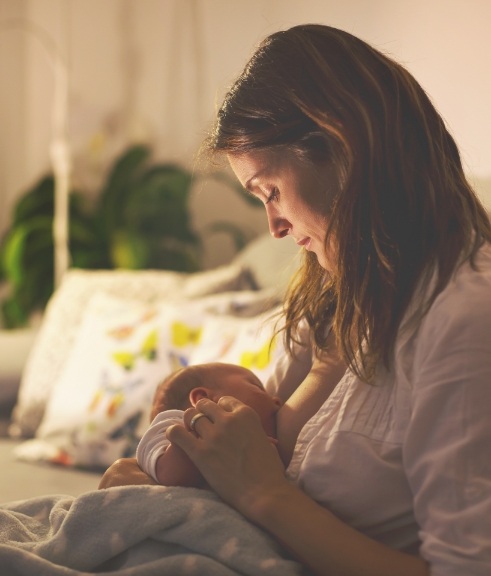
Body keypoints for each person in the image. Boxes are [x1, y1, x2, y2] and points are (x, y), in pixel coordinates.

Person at [99, 24, 491, 576]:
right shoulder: (333, 295)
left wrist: (265, 496)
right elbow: (244, 455)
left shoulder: (465, 317)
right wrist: (149, 485)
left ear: (341, 147)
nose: (274, 226)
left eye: (271, 191)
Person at [135, 362, 281, 488]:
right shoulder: (172, 425)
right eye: (257, 387)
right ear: (203, 400)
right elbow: (167, 472)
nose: (276, 400)